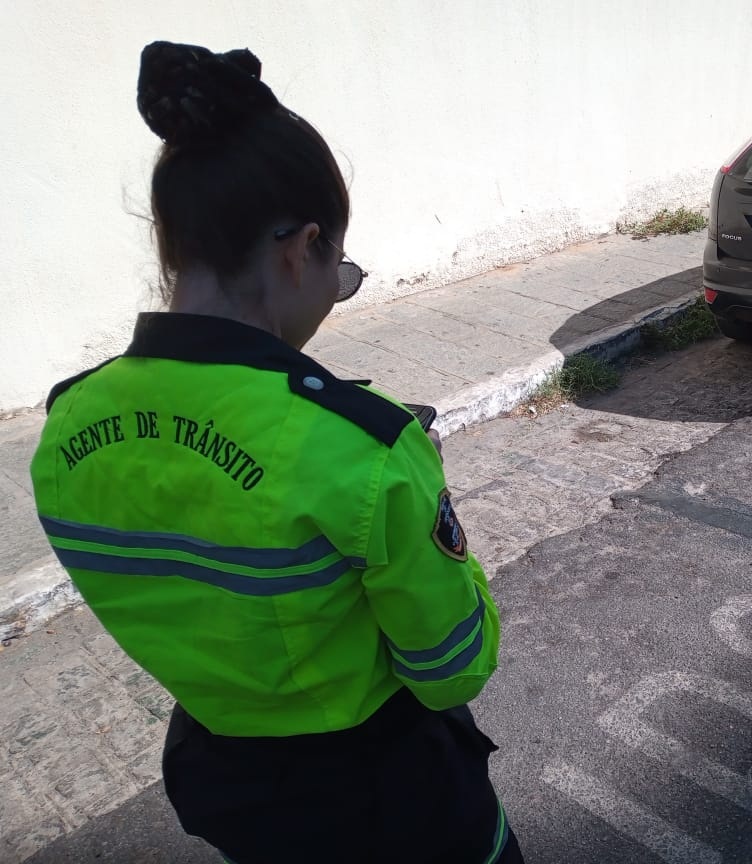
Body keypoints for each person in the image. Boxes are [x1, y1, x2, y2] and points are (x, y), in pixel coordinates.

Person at [29, 41, 522, 864]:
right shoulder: (363, 448)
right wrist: (432, 505)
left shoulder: (65, 426)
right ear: (300, 248)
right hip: (388, 798)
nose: (334, 289)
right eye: (340, 269)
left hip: (228, 788)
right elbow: (453, 667)